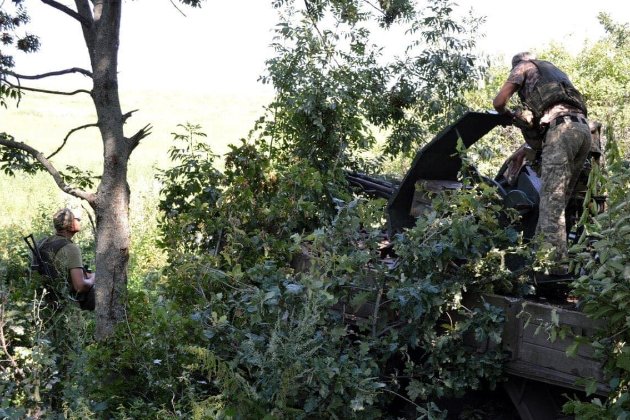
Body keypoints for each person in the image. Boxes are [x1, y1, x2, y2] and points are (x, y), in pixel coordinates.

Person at [493, 52, 591, 276]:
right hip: (583, 131)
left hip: (562, 131)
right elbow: (538, 132)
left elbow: (499, 101)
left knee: (550, 201)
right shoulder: (555, 76)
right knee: (560, 203)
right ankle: (548, 257)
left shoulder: (523, 66)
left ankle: (550, 269)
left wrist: (507, 114)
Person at [37, 208, 95, 310]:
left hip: (48, 300)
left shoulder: (46, 242)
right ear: (71, 224)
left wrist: (91, 275)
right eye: (77, 219)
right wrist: (94, 279)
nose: (79, 221)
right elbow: (79, 287)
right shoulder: (70, 248)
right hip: (67, 303)